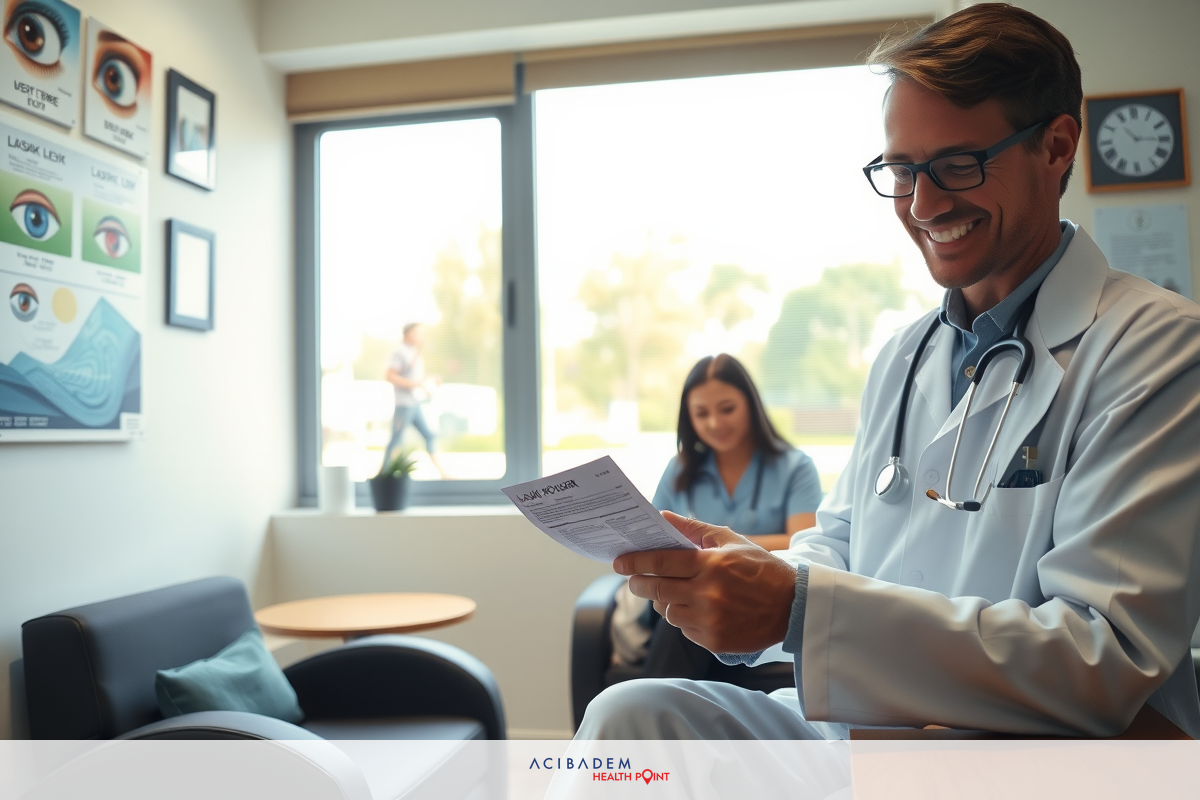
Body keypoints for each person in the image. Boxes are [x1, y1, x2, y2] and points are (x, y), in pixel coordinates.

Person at [577, 3, 1200, 740]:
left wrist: (797, 607)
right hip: (870, 733)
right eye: (903, 170)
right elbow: (843, 539)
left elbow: (1105, 656)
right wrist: (759, 574)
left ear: (1058, 146)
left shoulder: (1155, 348)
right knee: (630, 715)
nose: (924, 204)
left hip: (1023, 754)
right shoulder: (905, 355)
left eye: (958, 165)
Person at [609, 353, 822, 678]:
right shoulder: (679, 470)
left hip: (754, 598)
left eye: (727, 409)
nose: (714, 424)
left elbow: (801, 538)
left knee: (689, 612)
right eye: (701, 413)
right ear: (688, 418)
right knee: (684, 611)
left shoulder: (795, 467)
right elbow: (651, 535)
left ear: (750, 404)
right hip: (681, 598)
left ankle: (647, 715)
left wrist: (713, 549)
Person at [383, 322, 441, 474]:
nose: (419, 337)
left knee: (429, 435)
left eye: (421, 333)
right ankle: (384, 475)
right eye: (416, 333)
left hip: (414, 404)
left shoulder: (414, 353)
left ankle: (442, 473)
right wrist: (416, 385)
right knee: (396, 441)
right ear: (407, 334)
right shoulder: (400, 352)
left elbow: (416, 378)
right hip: (404, 405)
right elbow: (390, 376)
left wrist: (428, 382)